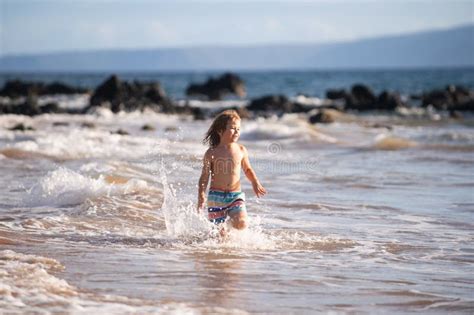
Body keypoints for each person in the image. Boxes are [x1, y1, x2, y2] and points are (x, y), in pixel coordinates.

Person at [197, 110, 266, 232]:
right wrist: (201, 194)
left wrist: (255, 182)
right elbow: (204, 175)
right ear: (220, 130)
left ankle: (229, 224)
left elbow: (248, 169)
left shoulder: (241, 150)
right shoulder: (211, 153)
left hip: (235, 196)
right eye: (233, 128)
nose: (237, 131)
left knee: (242, 223)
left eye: (239, 128)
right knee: (220, 236)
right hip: (216, 198)